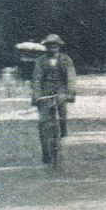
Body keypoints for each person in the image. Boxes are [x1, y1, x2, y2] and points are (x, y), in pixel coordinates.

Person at [31, 34, 76, 164]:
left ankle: (62, 129)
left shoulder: (65, 60)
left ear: (59, 46)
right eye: (49, 45)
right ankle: (46, 151)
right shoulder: (40, 61)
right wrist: (37, 95)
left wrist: (71, 93)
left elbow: (71, 77)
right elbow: (37, 79)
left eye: (55, 45)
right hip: (45, 91)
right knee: (43, 122)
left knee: (62, 115)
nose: (52, 48)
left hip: (60, 90)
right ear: (46, 47)